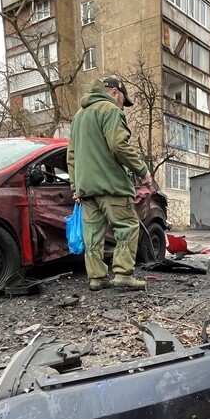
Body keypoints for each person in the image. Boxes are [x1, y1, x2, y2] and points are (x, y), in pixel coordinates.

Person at [67, 77, 153, 291]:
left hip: (87, 188)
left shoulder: (79, 116)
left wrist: (75, 187)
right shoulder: (110, 110)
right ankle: (123, 274)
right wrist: (142, 170)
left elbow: (71, 155)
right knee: (127, 226)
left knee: (93, 233)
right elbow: (118, 145)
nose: (123, 105)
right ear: (115, 92)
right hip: (111, 184)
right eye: (124, 100)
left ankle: (97, 278)